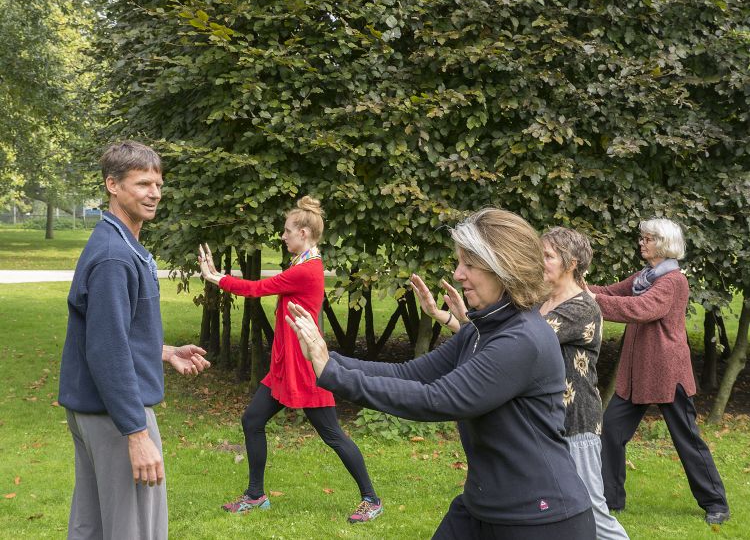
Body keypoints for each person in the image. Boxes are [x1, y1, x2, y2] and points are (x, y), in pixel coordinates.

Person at [286, 208, 596, 539]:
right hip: (481, 507)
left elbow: (438, 399)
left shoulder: (522, 339)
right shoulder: (481, 330)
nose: (458, 274)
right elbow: (412, 374)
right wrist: (330, 360)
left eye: (470, 264)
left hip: (540, 520)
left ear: (505, 269)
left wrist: (334, 375)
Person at [411, 227, 630, 539]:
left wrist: (471, 322)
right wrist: (454, 320)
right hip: (541, 425)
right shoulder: (539, 303)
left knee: (596, 516)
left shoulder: (581, 306)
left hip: (575, 423)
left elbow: (513, 346)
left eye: (548, 256)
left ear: (570, 264)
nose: (539, 263)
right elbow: (498, 345)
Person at [58, 141, 211, 540]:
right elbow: (106, 351)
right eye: (143, 183)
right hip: (116, 417)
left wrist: (161, 351)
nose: (154, 193)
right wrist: (137, 435)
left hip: (98, 411)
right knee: (135, 529)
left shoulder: (121, 245)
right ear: (113, 185)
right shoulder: (114, 256)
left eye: (158, 183)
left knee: (92, 525)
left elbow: (110, 334)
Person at [198, 196, 382, 523]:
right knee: (252, 420)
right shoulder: (302, 263)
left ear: (304, 233)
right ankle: (256, 495)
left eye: (287, 231)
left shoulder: (307, 270)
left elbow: (258, 288)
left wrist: (216, 278)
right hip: (285, 367)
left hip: (306, 369)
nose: (282, 237)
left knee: (333, 435)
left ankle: (371, 499)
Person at [586, 218, 730, 525]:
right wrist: (576, 287)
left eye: (648, 239)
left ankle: (716, 503)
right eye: (643, 238)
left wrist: (592, 300)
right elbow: (612, 291)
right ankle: (612, 501)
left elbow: (641, 309)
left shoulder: (672, 281)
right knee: (610, 431)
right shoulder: (645, 276)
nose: (642, 242)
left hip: (668, 372)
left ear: (663, 243)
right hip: (636, 373)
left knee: (686, 439)